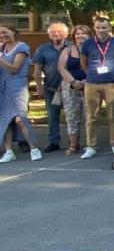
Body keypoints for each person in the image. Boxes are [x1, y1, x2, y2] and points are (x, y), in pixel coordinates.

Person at [80, 17, 114, 159]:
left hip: (112, 83)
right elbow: (83, 62)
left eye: (104, 27)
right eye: (98, 27)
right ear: (94, 28)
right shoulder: (88, 43)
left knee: (113, 115)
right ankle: (91, 146)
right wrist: (91, 73)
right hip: (92, 83)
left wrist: (112, 72)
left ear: (109, 28)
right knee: (91, 116)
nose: (101, 30)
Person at [0, 25, 43, 163]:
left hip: (17, 88)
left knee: (19, 119)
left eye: (5, 32)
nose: (2, 35)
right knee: (6, 120)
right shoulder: (2, 48)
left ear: (14, 32)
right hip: (3, 87)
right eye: (0, 33)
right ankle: (8, 151)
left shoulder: (22, 47)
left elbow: (14, 69)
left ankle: (34, 148)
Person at [32, 20, 69, 152]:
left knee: (73, 116)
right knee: (53, 116)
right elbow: (37, 70)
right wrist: (38, 86)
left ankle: (73, 141)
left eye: (58, 31)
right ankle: (54, 142)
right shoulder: (43, 49)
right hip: (51, 88)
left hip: (70, 88)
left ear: (66, 33)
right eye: (52, 32)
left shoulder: (72, 47)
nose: (55, 34)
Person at [57, 24, 90, 156]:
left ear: (90, 36)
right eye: (77, 34)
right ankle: (73, 145)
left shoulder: (94, 50)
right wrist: (73, 82)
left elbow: (97, 68)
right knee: (72, 117)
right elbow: (61, 67)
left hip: (90, 86)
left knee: (90, 117)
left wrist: (86, 81)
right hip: (70, 87)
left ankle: (90, 145)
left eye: (83, 34)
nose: (80, 36)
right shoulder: (68, 50)